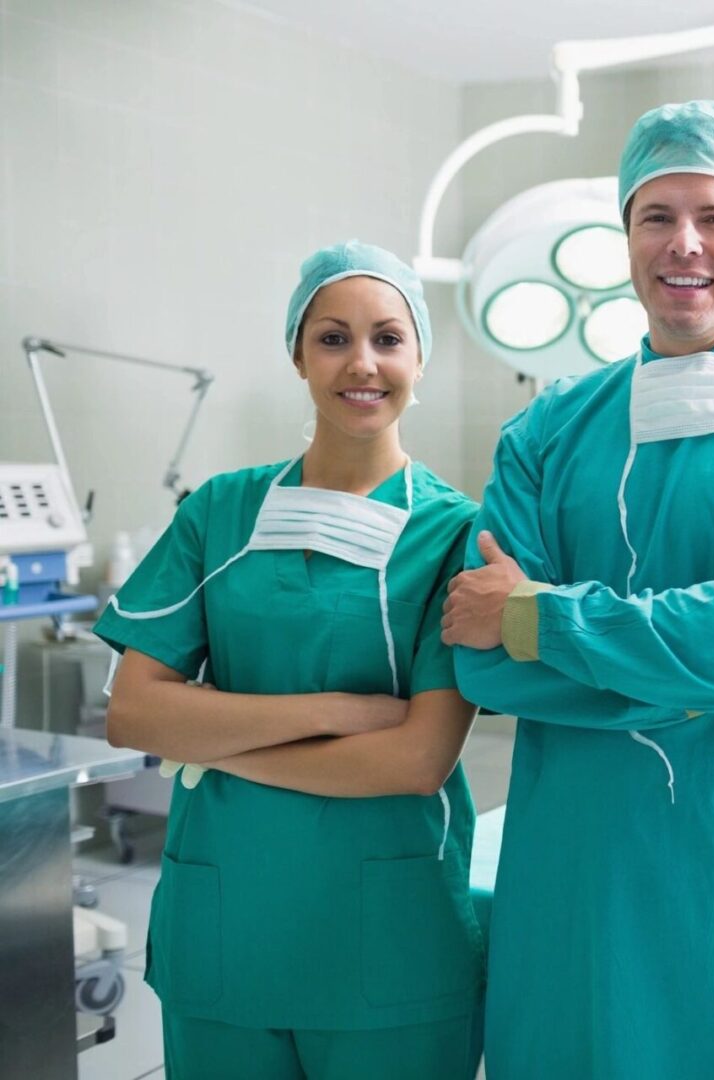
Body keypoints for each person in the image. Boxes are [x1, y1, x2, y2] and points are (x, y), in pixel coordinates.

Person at [440, 100, 714, 1079]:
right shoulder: (547, 431)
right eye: (657, 216)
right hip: (570, 879)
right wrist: (710, 666)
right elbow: (480, 667)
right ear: (626, 239)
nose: (685, 244)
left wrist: (535, 617)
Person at [95, 241, 485, 1080]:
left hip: (392, 938)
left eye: (388, 338)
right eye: (333, 338)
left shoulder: (456, 533)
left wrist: (211, 736)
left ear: (420, 357)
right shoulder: (219, 512)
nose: (363, 364)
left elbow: (418, 758)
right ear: (298, 355)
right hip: (227, 927)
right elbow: (133, 712)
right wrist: (332, 713)